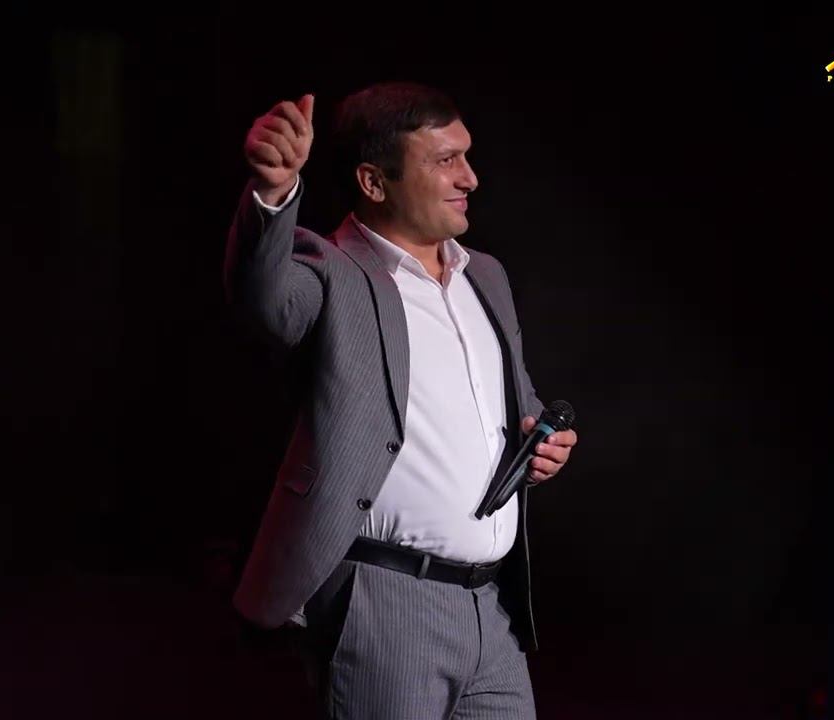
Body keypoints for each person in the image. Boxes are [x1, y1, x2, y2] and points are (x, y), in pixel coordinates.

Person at [224, 81, 578, 719]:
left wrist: (541, 447)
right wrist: (272, 194)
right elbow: (264, 297)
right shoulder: (331, 269)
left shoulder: (485, 275)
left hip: (491, 609)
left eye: (467, 156)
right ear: (374, 181)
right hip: (386, 604)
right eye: (445, 161)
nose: (470, 178)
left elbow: (512, 403)